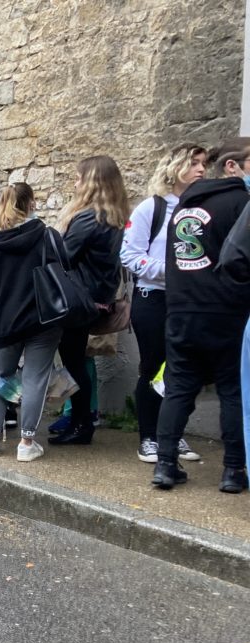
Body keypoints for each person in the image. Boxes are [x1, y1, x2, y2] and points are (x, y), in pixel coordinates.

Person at [154, 138, 250, 491]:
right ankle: (234, 469)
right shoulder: (242, 203)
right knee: (232, 389)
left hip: (181, 306)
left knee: (179, 387)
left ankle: (165, 465)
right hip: (226, 309)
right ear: (231, 166)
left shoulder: (183, 207)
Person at [120, 144, 208, 464]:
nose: (201, 169)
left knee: (183, 369)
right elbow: (129, 256)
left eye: (203, 164)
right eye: (194, 163)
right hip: (153, 299)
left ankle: (172, 432)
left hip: (189, 302)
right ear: (174, 168)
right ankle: (148, 436)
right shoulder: (151, 208)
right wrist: (171, 272)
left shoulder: (202, 210)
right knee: (153, 366)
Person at [0, 183, 63, 461]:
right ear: (32, 203)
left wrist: (0, 308)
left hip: (5, 321)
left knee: (1, 376)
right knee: (35, 378)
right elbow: (65, 271)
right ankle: (26, 443)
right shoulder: (48, 236)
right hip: (43, 319)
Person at [50, 156, 129, 447]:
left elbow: (63, 256)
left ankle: (82, 424)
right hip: (96, 299)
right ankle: (78, 420)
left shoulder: (88, 217)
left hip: (77, 301)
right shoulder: (113, 216)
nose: (74, 183)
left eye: (79, 178)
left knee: (73, 363)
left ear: (92, 182)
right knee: (77, 362)